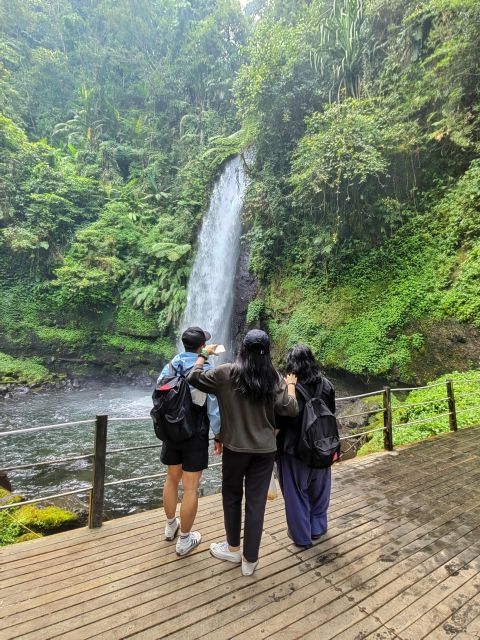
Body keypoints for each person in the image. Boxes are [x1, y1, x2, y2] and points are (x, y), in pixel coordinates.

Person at [188, 329, 299, 576]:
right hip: (265, 450)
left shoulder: (226, 373)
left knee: (231, 497)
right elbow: (290, 409)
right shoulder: (273, 378)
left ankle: (233, 548)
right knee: (256, 504)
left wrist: (204, 354)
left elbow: (193, 377)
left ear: (243, 349)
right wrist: (291, 386)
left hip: (235, 449)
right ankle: (250, 561)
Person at [158, 326, 221, 557]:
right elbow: (213, 405)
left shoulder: (172, 364)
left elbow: (160, 388)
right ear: (202, 347)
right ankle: (184, 540)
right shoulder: (205, 368)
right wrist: (219, 434)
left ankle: (170, 526)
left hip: (173, 429)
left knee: (171, 479)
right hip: (195, 431)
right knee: (191, 487)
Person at [276, 344, 336, 550]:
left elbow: (283, 420)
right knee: (320, 490)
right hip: (323, 447)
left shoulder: (288, 389)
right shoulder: (327, 385)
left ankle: (301, 536)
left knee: (296, 494)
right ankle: (318, 528)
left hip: (295, 450)